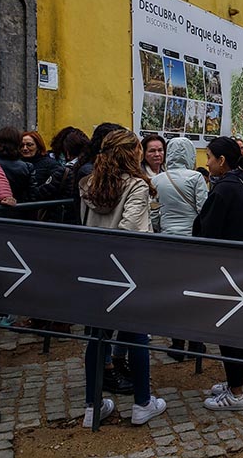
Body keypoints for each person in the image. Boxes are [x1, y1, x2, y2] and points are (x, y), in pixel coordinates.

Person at [79, 129, 166, 427]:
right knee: (136, 333)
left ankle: (92, 406)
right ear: (132, 153)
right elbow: (129, 229)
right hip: (129, 267)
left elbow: (86, 224)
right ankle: (142, 402)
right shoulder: (136, 187)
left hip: (96, 266)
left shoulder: (90, 184)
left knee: (97, 335)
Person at [193, 136, 243, 411]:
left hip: (225, 265)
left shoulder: (224, 189)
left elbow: (208, 229)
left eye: (209, 157)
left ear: (221, 161)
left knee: (227, 327)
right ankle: (241, 378)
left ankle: (236, 391)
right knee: (239, 325)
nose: (206, 162)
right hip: (239, 262)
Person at [151, 137, 209, 360]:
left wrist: (162, 229)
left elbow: (154, 212)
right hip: (192, 242)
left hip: (168, 241)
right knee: (194, 292)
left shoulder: (157, 179)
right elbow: (203, 209)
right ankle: (196, 343)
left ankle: (176, 344)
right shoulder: (195, 177)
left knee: (174, 291)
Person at [21, 130, 64, 202]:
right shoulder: (18, 163)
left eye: (29, 145)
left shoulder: (50, 164)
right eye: (22, 145)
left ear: (38, 146)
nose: (25, 148)